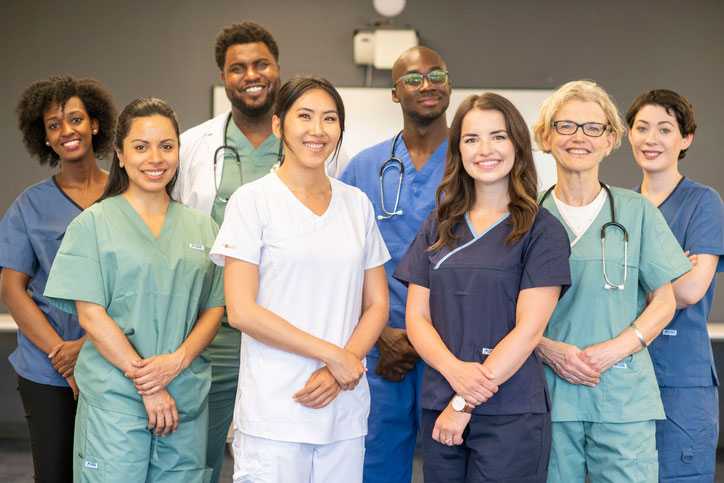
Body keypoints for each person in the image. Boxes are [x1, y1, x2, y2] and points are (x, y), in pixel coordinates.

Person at [173, 21, 346, 480]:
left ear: (277, 68)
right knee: (200, 451)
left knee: (287, 448)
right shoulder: (193, 145)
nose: (251, 74)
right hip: (215, 325)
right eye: (237, 68)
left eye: (261, 63)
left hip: (293, 327)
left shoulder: (317, 143)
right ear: (223, 77)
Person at [209, 76, 390, 483]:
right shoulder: (252, 201)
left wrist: (340, 365)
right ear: (278, 126)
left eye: (329, 119)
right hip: (276, 408)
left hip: (342, 403)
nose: (318, 129)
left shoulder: (356, 204)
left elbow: (377, 304)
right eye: (304, 116)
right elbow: (240, 310)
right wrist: (334, 354)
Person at [393, 92, 571, 482]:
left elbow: (529, 332)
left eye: (498, 136)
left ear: (518, 145)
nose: (484, 149)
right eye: (471, 139)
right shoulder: (438, 225)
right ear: (458, 150)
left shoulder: (541, 231)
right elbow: (417, 318)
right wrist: (453, 372)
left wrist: (463, 401)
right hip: (440, 404)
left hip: (511, 412)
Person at [44, 98, 225, 481]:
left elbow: (215, 307)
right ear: (121, 156)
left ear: (179, 151)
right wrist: (149, 385)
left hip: (184, 399)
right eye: (141, 147)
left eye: (166, 146)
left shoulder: (202, 228)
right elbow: (91, 314)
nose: (155, 158)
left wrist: (176, 362)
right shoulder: (92, 225)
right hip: (117, 403)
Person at [532, 80, 692, 482]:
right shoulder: (525, 214)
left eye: (593, 128)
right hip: (546, 395)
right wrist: (549, 350)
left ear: (610, 140)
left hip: (621, 394)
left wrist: (611, 352)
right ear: (545, 136)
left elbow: (665, 301)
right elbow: (500, 305)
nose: (579, 137)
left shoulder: (636, 212)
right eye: (565, 126)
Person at [339, 45, 450, 483]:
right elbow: (341, 261)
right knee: (377, 464)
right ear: (393, 93)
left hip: (452, 345)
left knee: (449, 462)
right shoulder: (363, 168)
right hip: (380, 345)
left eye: (437, 75)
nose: (428, 85)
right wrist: (379, 331)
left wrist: (430, 339)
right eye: (414, 78)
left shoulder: (477, 162)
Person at [0, 75, 116, 482]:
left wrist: (87, 349)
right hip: (46, 367)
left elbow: (136, 284)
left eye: (75, 119)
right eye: (54, 124)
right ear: (44, 138)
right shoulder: (29, 205)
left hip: (113, 358)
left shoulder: (126, 195)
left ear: (95, 124)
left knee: (111, 471)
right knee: (53, 474)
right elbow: (12, 289)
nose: (67, 130)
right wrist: (62, 358)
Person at [627, 89, 724, 481]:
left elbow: (689, 291)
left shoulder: (704, 203)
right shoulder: (622, 207)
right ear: (628, 135)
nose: (651, 139)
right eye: (642, 127)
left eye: (665, 129)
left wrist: (632, 276)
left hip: (681, 379)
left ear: (685, 139)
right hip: (627, 375)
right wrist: (672, 268)